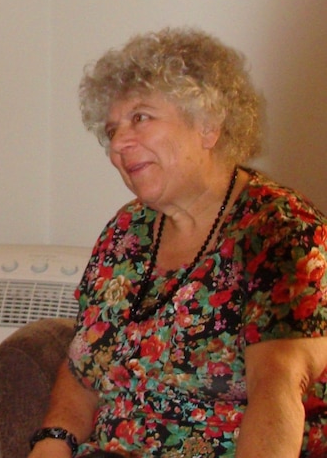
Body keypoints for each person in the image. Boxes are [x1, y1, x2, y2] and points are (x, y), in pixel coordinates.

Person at [27, 27, 327, 458]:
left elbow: (277, 393)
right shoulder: (126, 232)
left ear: (208, 125)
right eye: (111, 130)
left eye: (141, 118)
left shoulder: (281, 232)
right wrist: (50, 446)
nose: (118, 144)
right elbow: (81, 372)